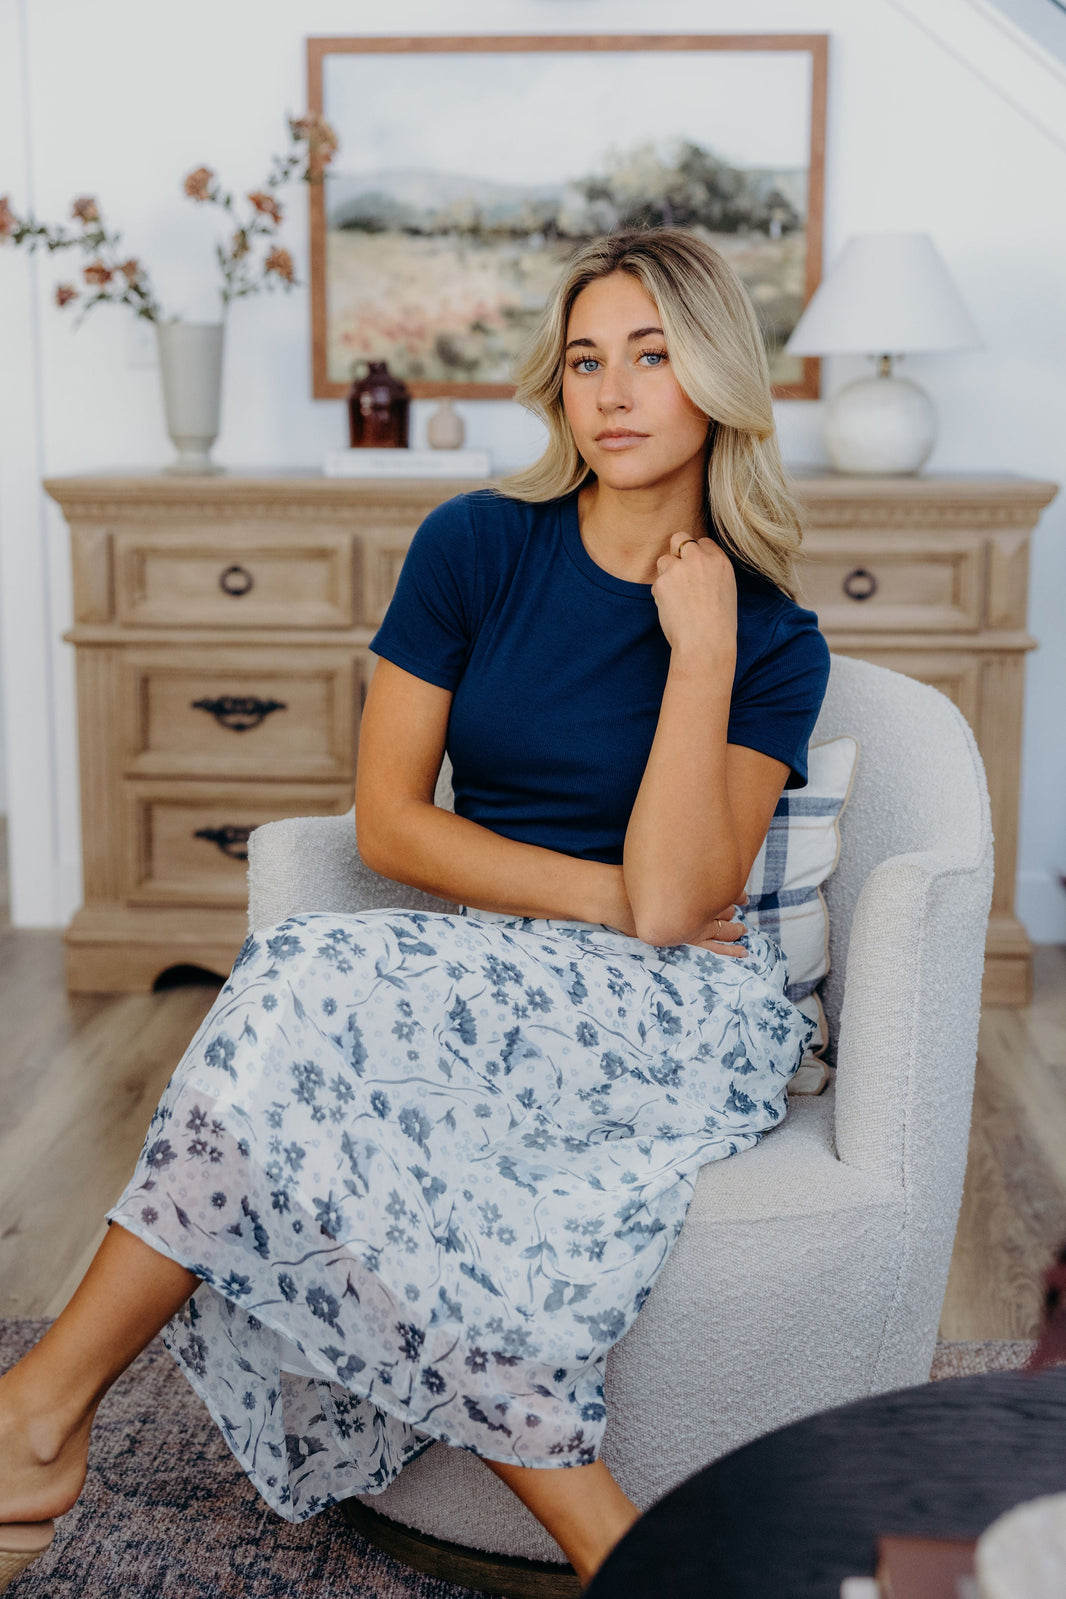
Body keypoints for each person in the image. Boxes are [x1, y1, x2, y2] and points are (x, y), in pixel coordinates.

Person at [0, 226, 830, 1594]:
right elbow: (389, 822)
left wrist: (700, 650)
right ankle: (613, 1550)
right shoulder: (475, 547)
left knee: (300, 988)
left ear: (716, 382)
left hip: (679, 1010)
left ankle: (34, 1419)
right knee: (304, 995)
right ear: (555, 388)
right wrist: (601, 899)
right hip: (499, 963)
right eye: (584, 360)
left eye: (652, 356)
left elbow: (686, 902)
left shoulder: (766, 636)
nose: (614, 392)